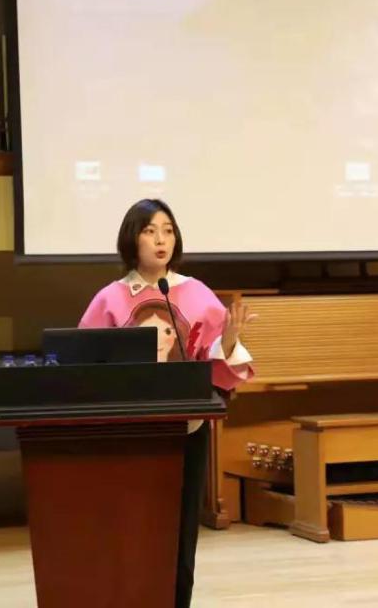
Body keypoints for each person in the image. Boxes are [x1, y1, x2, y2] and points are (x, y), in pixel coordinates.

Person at [78, 198, 255, 608]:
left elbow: (218, 363)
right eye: (150, 231)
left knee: (179, 532)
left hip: (185, 430)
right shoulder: (109, 299)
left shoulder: (197, 294)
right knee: (129, 530)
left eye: (168, 231)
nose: (161, 240)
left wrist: (228, 342)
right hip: (129, 434)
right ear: (132, 239)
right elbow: (83, 364)